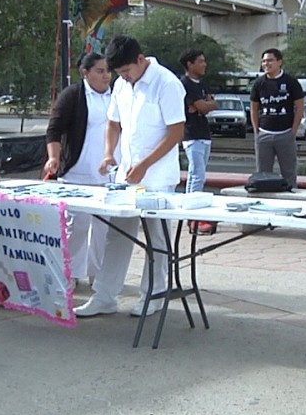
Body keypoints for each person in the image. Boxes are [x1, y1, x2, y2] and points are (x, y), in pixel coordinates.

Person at [74, 35, 185, 318]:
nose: (123, 77)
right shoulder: (122, 86)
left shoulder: (167, 83)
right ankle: (105, 297)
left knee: (157, 239)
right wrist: (109, 153)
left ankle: (154, 296)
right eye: (119, 74)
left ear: (140, 59)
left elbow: (176, 133)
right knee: (118, 235)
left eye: (126, 71)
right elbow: (113, 123)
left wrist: (146, 164)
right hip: (127, 176)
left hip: (158, 178)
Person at [44, 52, 115, 289]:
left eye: (108, 71)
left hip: (108, 176)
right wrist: (54, 158)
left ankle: (99, 275)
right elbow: (54, 129)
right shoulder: (73, 96)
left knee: (104, 228)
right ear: (86, 73)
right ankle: (72, 272)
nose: (106, 76)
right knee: (78, 225)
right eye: (100, 71)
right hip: (77, 173)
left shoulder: (117, 96)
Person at [249, 48, 304, 189]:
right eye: (264, 61)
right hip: (264, 135)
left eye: (270, 60)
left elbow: (299, 107)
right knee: (262, 174)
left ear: (280, 62)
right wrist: (257, 131)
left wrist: (293, 131)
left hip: (285, 134)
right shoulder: (258, 83)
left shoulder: (291, 82)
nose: (266, 64)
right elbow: (254, 109)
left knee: (289, 174)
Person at [179, 48, 217, 235]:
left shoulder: (202, 84)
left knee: (198, 175)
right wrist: (202, 106)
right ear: (190, 64)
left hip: (204, 134)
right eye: (200, 61)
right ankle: (193, 217)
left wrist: (203, 106)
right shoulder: (184, 84)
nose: (204, 64)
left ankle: (193, 212)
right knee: (196, 175)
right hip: (192, 134)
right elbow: (202, 106)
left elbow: (210, 105)